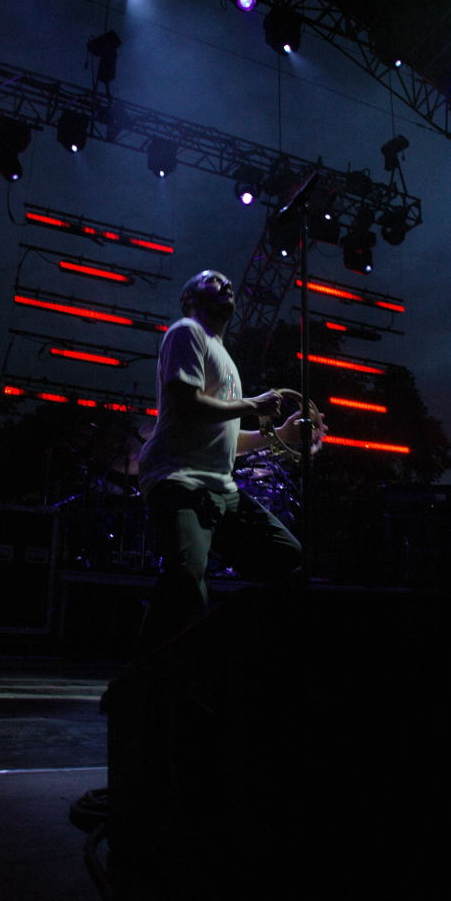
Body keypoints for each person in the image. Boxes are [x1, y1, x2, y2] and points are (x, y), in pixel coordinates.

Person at [137, 268, 321, 652]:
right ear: (188, 298)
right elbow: (186, 404)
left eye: (228, 282)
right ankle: (153, 672)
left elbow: (228, 439)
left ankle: (234, 648)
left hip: (220, 488)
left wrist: (280, 435)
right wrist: (252, 404)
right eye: (212, 280)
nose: (226, 284)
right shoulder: (186, 331)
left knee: (288, 558)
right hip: (179, 479)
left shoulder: (225, 358)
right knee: (186, 578)